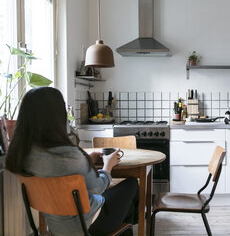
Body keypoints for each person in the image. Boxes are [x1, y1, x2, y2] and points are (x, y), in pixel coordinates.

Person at [5, 87, 138, 236]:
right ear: (56, 117)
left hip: (56, 226)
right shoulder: (69, 155)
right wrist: (108, 165)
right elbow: (98, 187)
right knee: (132, 185)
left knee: (127, 208)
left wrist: (86, 160)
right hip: (89, 224)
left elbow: (59, 170)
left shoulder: (22, 155)